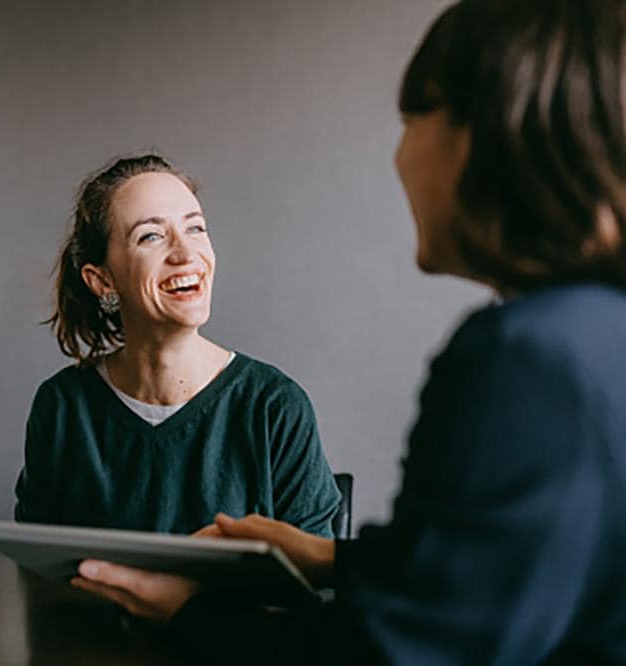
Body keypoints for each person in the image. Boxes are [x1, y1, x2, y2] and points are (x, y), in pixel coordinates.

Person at [72, 2, 626, 663]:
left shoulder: (527, 360)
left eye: (411, 123)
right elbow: (495, 573)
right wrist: (331, 558)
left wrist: (188, 613)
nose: (398, 156)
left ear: (479, 137)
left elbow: (395, 651)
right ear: (99, 278)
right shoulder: (595, 335)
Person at [15, 154, 343, 537]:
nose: (186, 255)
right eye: (151, 236)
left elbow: (312, 569)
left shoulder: (275, 406)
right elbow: (37, 562)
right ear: (102, 281)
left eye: (195, 228)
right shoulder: (62, 407)